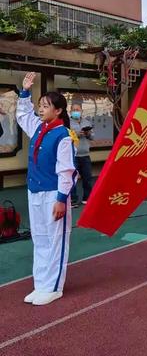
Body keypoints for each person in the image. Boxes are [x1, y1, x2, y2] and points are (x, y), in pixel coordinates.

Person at [16, 72, 76, 305]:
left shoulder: (63, 136)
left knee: (55, 239)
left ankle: (53, 287)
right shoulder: (39, 128)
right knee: (39, 238)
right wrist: (25, 92)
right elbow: (23, 116)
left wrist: (61, 199)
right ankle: (40, 284)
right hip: (35, 191)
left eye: (45, 106)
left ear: (58, 110)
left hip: (53, 193)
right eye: (39, 105)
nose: (40, 110)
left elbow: (66, 171)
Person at [70, 102, 94, 207]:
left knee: (87, 178)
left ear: (81, 111)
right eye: (74, 110)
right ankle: (73, 200)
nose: (76, 112)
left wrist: (88, 134)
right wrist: (76, 135)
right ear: (70, 111)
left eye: (78, 110)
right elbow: (64, 138)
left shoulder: (87, 122)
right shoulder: (67, 123)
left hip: (85, 155)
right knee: (72, 179)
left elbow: (93, 137)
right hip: (73, 155)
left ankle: (87, 198)